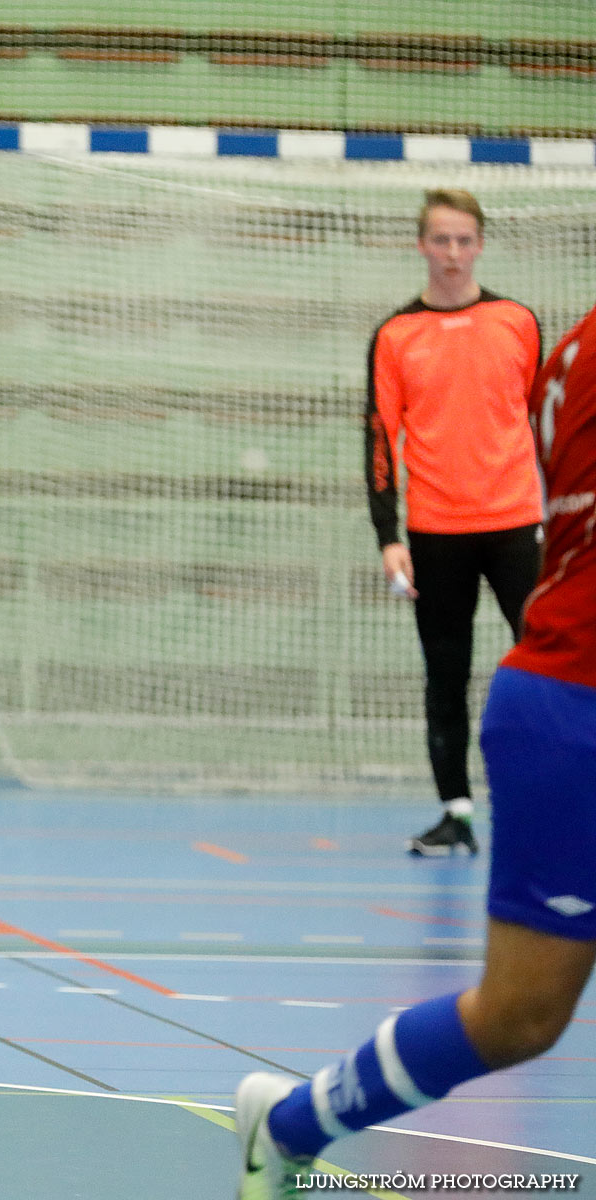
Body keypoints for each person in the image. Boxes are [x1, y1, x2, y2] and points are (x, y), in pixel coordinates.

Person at [236, 297, 596, 1197]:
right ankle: (289, 1126)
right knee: (519, 1016)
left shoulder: (559, 349)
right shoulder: (576, 356)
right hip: (572, 707)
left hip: (554, 698)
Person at [366, 188, 543, 856]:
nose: (452, 253)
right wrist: (389, 537)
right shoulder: (395, 335)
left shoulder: (516, 322)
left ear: (480, 244)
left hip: (516, 524)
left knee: (550, 668)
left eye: (464, 239)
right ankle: (456, 812)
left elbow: (545, 422)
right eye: (440, 239)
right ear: (421, 244)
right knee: (445, 673)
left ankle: (555, 802)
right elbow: (381, 441)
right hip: (436, 532)